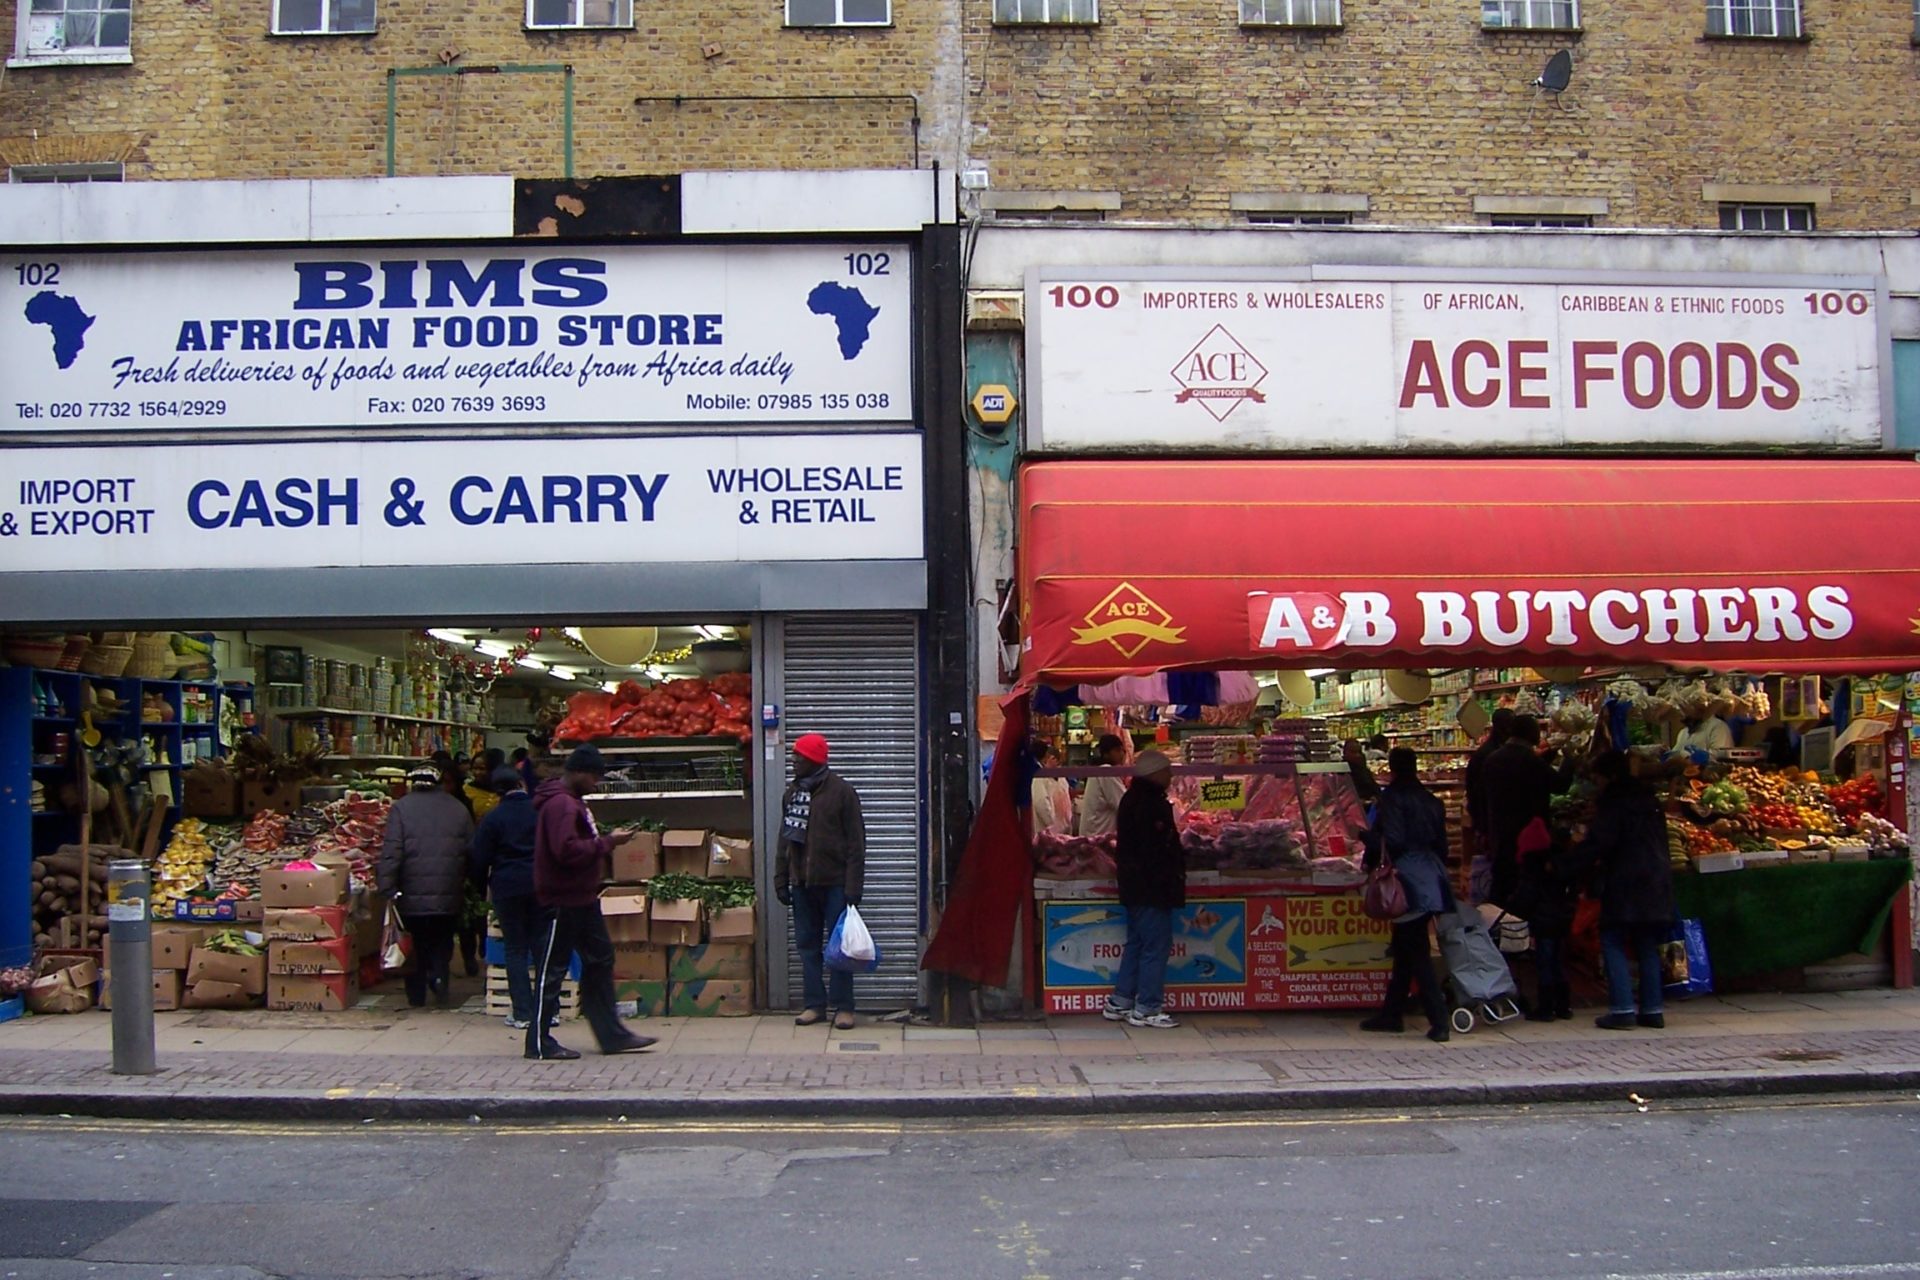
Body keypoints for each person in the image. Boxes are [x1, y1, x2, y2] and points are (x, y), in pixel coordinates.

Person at [526, 746, 656, 1059]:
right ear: (579, 772)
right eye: (594, 777)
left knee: (600, 959)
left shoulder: (572, 802)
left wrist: (605, 840)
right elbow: (566, 850)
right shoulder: (561, 805)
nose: (596, 783)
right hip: (562, 899)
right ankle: (539, 1043)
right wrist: (608, 843)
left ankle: (612, 1035)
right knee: (552, 969)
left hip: (581, 897)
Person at [1358, 749, 1456, 1043]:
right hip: (1431, 876)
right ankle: (1392, 1014)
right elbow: (1442, 846)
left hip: (1408, 880)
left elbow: (1394, 840)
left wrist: (1366, 839)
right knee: (1404, 949)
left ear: (1392, 768)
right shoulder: (1431, 801)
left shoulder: (1392, 799)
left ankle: (1439, 1020)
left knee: (1416, 952)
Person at [1574, 751, 1676, 1031]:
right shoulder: (1649, 800)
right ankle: (1653, 1009)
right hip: (1656, 877)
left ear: (1609, 776)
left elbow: (1600, 843)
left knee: (1613, 938)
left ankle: (1622, 1009)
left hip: (1625, 878)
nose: (1596, 785)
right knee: (1646, 942)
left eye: (1598, 779)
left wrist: (1567, 865)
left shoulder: (1614, 803)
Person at [774, 733, 868, 1030]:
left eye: (799, 757)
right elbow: (785, 839)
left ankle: (844, 1007)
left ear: (814, 759)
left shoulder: (842, 793)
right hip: (802, 884)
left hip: (835, 883)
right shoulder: (792, 794)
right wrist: (781, 878)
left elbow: (856, 844)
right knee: (807, 947)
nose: (794, 762)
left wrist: (853, 887)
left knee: (840, 948)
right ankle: (814, 1004)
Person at [376, 764, 475, 1009]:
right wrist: (469, 883)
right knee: (442, 939)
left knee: (415, 943)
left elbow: (392, 851)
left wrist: (386, 886)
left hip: (411, 893)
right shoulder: (458, 808)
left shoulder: (401, 808)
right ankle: (440, 977)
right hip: (449, 891)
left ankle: (416, 994)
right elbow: (471, 851)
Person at [1102, 750, 1184, 1029]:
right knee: (1155, 946)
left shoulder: (1132, 798)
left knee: (1137, 943)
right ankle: (1147, 1007)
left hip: (1135, 885)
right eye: (1167, 771)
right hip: (1151, 887)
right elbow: (1156, 848)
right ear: (1155, 773)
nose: (1170, 776)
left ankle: (1121, 1001)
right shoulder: (1151, 804)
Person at [471, 765, 539, 1030]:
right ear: (521, 783)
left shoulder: (492, 819)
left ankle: (522, 1012)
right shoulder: (539, 812)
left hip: (507, 887)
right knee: (542, 946)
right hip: (539, 885)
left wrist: (482, 888)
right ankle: (549, 1010)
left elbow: (479, 858)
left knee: (515, 949)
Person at [1479, 715, 1567, 909]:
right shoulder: (1530, 761)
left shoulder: (1492, 759)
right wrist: (1570, 759)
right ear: (1530, 733)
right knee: (1527, 890)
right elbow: (1561, 785)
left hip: (1499, 832)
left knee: (1501, 885)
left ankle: (1495, 921)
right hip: (1529, 835)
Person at [1463, 708, 1517, 899]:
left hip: (1493, 821)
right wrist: (1482, 826)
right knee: (1496, 872)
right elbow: (1476, 793)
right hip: (1491, 823)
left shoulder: (1491, 751)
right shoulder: (1489, 755)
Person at [1078, 734, 1128, 837]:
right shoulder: (1106, 771)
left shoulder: (1100, 770)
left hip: (1095, 834)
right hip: (1098, 836)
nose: (1122, 754)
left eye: (1123, 750)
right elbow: (1124, 803)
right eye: (1117, 750)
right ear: (1106, 754)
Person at [1028, 741, 1073, 836]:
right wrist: (1052, 826)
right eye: (1051, 758)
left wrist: (1068, 823)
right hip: (1048, 832)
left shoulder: (1062, 778)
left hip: (1064, 830)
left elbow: (1066, 802)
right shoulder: (1039, 778)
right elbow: (1041, 803)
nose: (1056, 763)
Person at [1342, 738, 1382, 805]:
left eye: (1359, 752)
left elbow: (1375, 789)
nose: (1357, 755)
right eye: (1353, 752)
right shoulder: (1341, 772)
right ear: (1345, 753)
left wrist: (1375, 797)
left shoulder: (1364, 770)